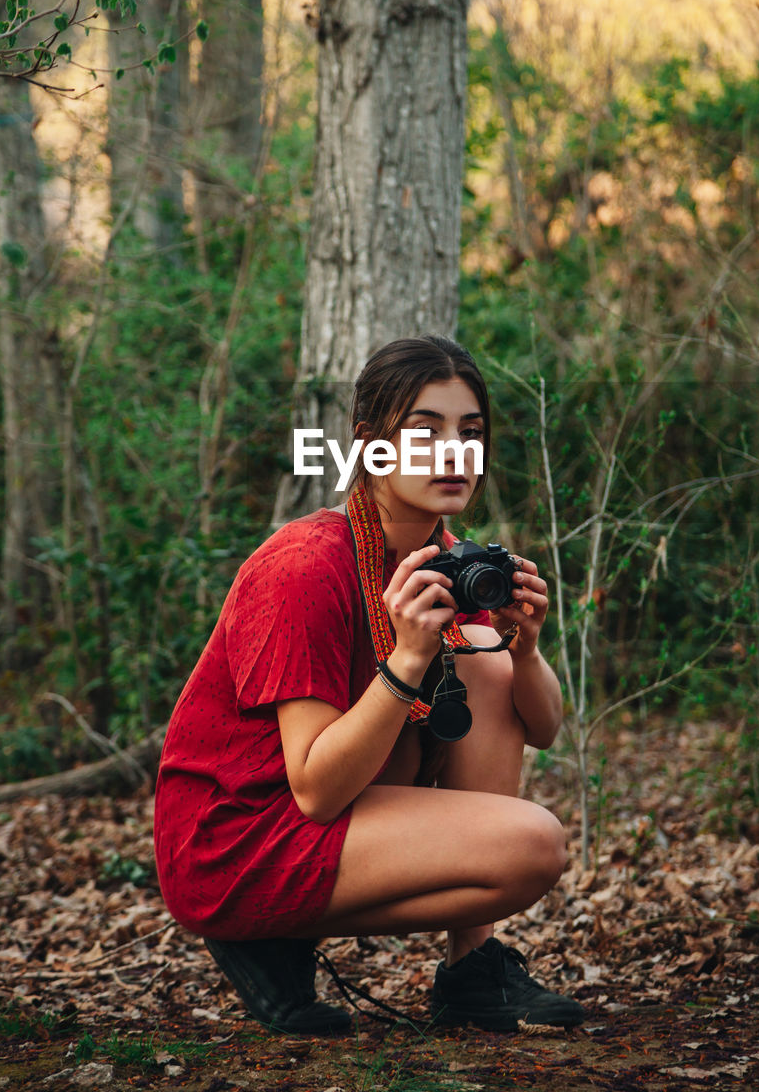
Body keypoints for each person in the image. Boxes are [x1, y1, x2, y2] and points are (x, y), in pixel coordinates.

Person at [154, 335, 584, 1034]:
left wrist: (525, 647)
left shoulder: (447, 561)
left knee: (480, 648)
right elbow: (316, 788)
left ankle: (471, 970)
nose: (454, 453)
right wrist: (409, 657)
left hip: (337, 803)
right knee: (533, 844)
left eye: (469, 434)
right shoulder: (302, 566)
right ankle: (261, 930)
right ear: (369, 446)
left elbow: (540, 727)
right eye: (426, 430)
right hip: (240, 835)